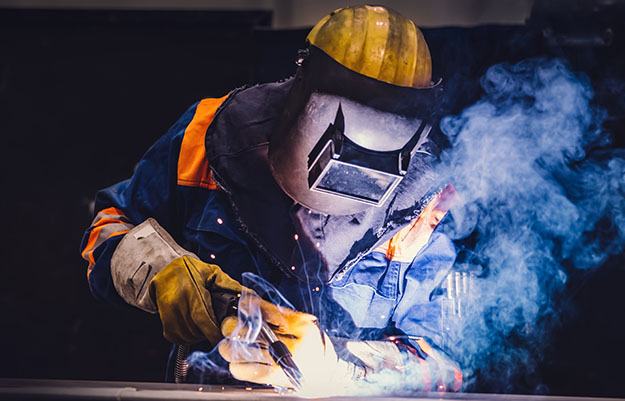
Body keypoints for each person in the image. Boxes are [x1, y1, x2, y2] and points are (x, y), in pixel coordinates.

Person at [80, 5, 461, 392]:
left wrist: (344, 367)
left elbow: (449, 364)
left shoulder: (430, 202)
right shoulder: (208, 135)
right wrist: (163, 271)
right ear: (303, 88)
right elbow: (107, 228)